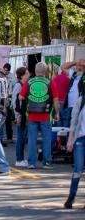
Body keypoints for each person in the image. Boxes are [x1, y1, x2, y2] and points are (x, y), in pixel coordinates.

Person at [19, 61, 57, 169]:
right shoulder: (51, 82)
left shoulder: (29, 82)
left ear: (35, 71)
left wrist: (28, 97)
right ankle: (47, 162)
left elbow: (21, 97)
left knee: (32, 139)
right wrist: (57, 113)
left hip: (31, 115)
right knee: (47, 139)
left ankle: (31, 163)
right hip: (46, 115)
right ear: (46, 71)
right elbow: (56, 99)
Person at [64, 81, 85, 209]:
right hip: (80, 140)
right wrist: (70, 140)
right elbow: (73, 122)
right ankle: (71, 198)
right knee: (78, 169)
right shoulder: (81, 101)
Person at [13, 67, 30, 167]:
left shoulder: (25, 85)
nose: (29, 74)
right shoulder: (18, 85)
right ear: (22, 75)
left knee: (23, 138)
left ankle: (21, 159)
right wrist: (17, 116)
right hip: (21, 115)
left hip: (24, 115)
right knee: (20, 138)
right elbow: (15, 102)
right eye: (27, 73)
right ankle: (19, 159)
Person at [1, 63, 15, 144]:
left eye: (7, 70)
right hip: (2, 99)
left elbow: (15, 86)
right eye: (4, 69)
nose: (5, 71)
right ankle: (1, 137)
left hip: (8, 99)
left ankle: (9, 137)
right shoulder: (0, 75)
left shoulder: (12, 77)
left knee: (8, 119)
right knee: (1, 119)